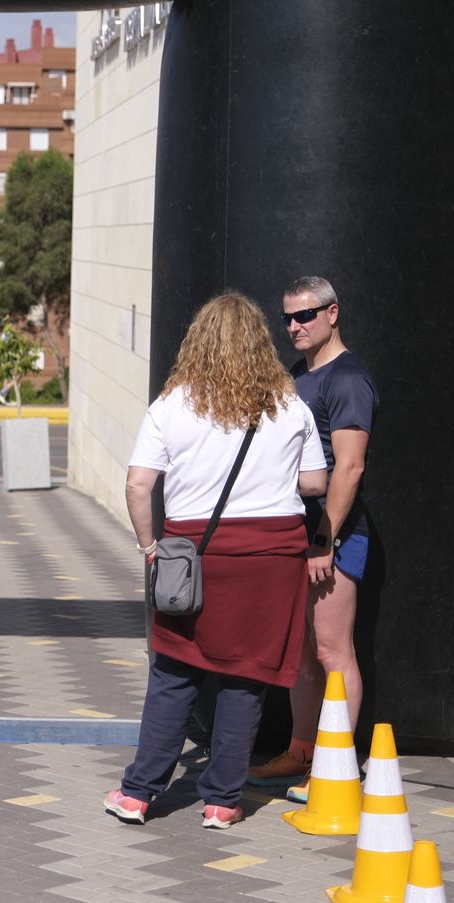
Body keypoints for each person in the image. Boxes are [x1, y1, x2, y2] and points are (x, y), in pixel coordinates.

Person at [105, 291, 328, 830]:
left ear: (197, 342)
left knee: (175, 673)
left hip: (192, 554)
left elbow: (139, 484)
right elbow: (315, 482)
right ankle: (223, 802)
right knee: (244, 678)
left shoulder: (172, 404)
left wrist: (148, 545)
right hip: (272, 556)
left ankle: (138, 794)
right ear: (259, 344)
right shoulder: (289, 405)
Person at [248, 277, 377, 802]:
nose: (294, 326)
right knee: (300, 651)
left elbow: (349, 465)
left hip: (333, 535)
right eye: (288, 318)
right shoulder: (300, 375)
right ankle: (302, 751)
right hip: (295, 532)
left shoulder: (347, 379)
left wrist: (326, 537)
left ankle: (335, 768)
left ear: (333, 313)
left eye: (305, 316)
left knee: (331, 649)